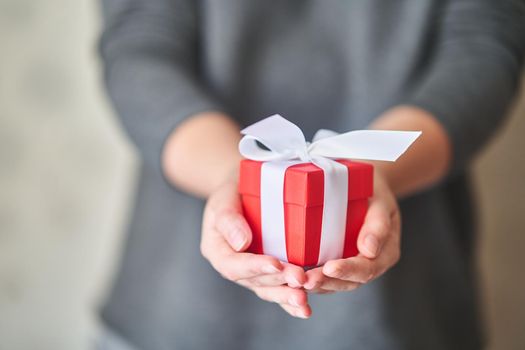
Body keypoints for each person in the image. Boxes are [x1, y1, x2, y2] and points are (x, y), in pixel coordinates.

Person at [97, 1, 525, 349]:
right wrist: (235, 176)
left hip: (405, 313)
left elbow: (484, 47)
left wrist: (372, 174)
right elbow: (140, 44)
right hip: (177, 310)